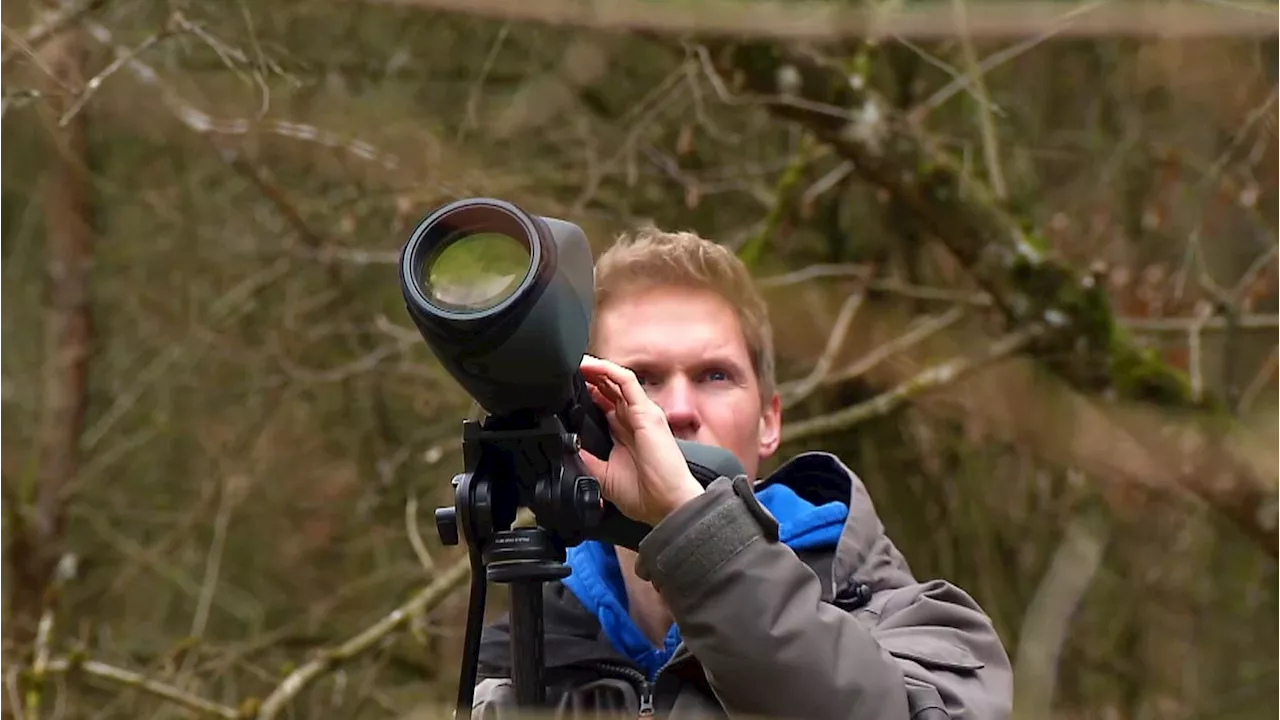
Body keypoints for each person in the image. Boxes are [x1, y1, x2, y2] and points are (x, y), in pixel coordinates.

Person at [470, 227, 1014, 719]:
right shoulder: (514, 668)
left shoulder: (919, 628)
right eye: (641, 378)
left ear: (769, 421)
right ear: (582, 415)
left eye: (714, 375)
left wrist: (700, 538)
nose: (677, 410)